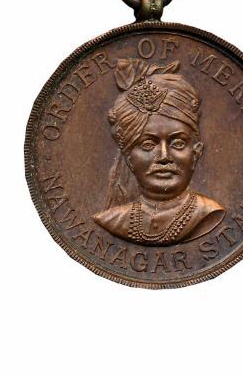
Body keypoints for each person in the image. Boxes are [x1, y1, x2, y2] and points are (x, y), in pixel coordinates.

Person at [91, 60, 224, 245]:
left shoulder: (209, 214)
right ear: (129, 158)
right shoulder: (111, 220)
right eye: (148, 145)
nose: (164, 157)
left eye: (178, 143)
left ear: (196, 153)